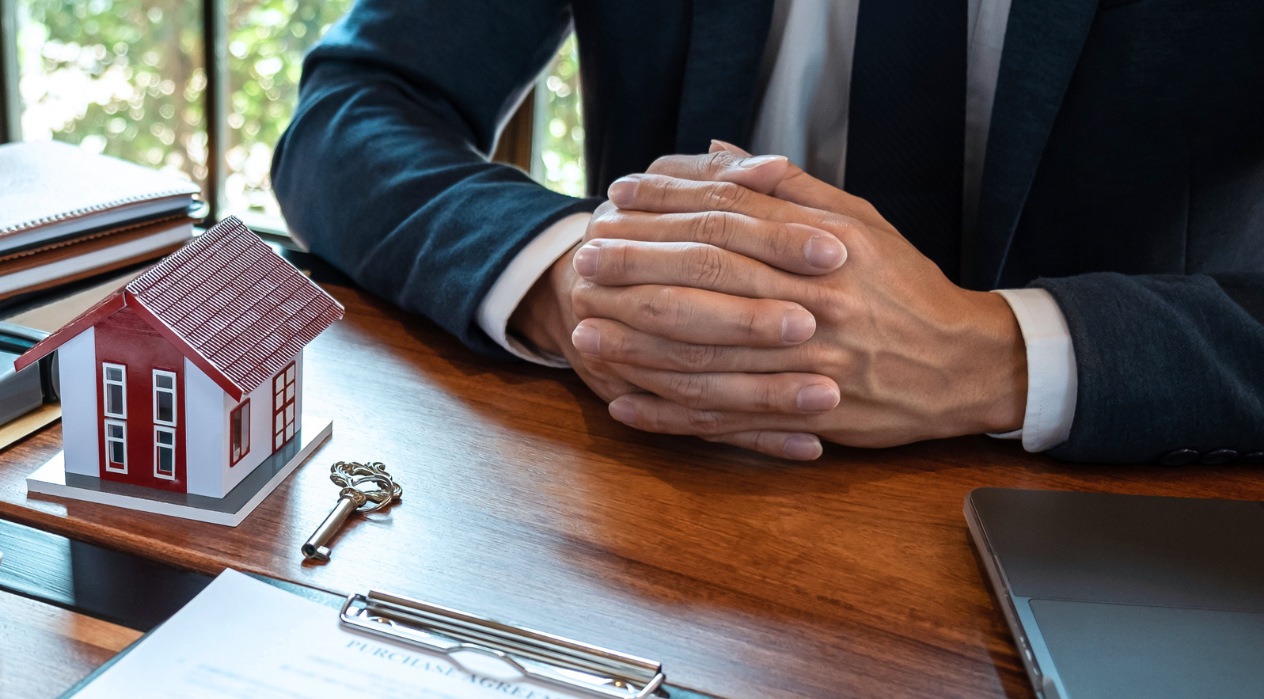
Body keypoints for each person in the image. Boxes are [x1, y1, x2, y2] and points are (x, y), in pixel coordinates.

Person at [272, 0, 1264, 464]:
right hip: (666, 494)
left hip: (1125, 523)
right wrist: (578, 278)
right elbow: (353, 111)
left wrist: (998, 354)